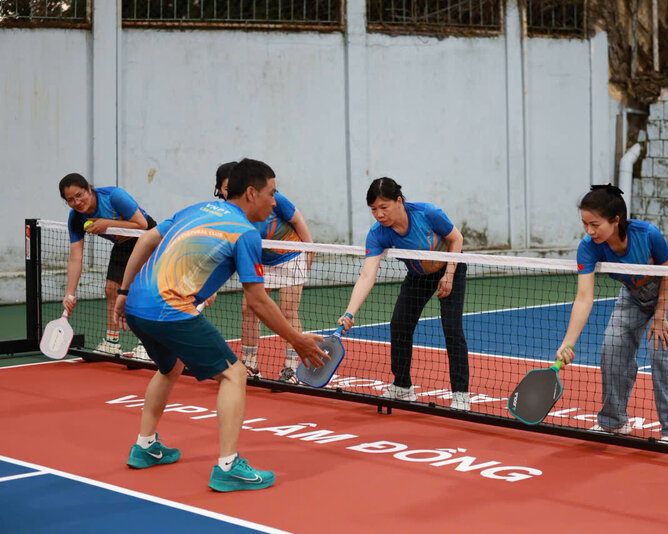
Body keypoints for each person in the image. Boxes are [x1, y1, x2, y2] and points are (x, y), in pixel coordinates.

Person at [113, 158, 327, 492]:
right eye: (271, 193)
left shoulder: (197, 209)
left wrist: (123, 293)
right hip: (171, 309)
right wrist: (296, 339)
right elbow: (257, 301)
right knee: (234, 373)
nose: (275, 201)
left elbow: (145, 241)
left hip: (139, 304)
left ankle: (145, 446)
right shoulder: (245, 233)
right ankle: (228, 466)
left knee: (169, 368)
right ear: (252, 193)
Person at [556, 184, 668, 445]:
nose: (589, 231)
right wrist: (568, 342)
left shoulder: (647, 234)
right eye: (585, 224)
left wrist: (661, 314)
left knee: (661, 349)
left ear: (616, 220)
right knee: (613, 348)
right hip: (633, 293)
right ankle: (613, 421)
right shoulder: (589, 247)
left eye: (595, 224)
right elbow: (584, 298)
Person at [338, 177, 471, 410]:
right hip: (418, 275)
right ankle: (402, 386)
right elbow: (367, 276)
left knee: (452, 328)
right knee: (399, 324)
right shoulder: (379, 234)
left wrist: (449, 275)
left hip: (451, 267)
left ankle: (460, 394)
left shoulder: (427, 213)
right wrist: (349, 313)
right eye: (373, 209)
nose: (379, 214)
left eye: (383, 207)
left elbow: (456, 238)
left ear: (398, 201)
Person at [214, 162, 314, 383]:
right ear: (220, 189)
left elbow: (297, 220)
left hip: (290, 254)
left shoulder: (273, 198)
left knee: (288, 311)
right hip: (261, 259)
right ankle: (249, 364)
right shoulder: (228, 211)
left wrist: (310, 251)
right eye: (225, 186)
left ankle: (290, 368)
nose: (229, 189)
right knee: (248, 309)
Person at [59, 173, 156, 360]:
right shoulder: (76, 219)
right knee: (112, 289)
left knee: (140, 290)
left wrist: (106, 224)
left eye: (79, 195)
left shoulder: (114, 196)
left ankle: (147, 344)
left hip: (146, 238)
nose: (77, 202)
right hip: (123, 244)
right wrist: (69, 294)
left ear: (89, 188)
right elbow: (75, 257)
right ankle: (112, 344)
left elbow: (142, 224)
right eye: (70, 200)